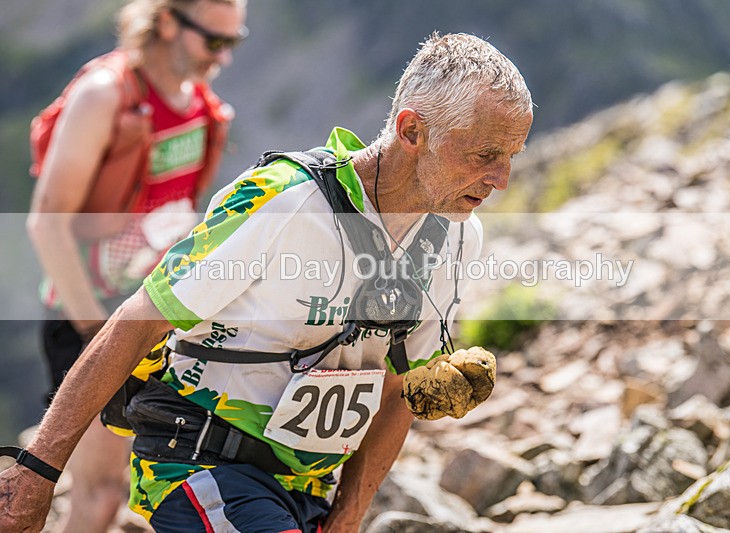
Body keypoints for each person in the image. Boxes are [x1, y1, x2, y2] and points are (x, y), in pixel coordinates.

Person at [1, 32, 533, 533]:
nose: (502, 179)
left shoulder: (456, 237)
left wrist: (345, 521)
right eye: (485, 154)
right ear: (412, 130)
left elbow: (396, 389)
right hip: (198, 459)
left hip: (307, 487)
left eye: (512, 156)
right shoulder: (285, 200)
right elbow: (138, 320)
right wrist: (35, 472)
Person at [24, 0, 247, 531]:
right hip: (91, 316)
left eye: (232, 43)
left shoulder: (199, 104)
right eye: (214, 42)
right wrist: (96, 337)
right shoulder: (105, 96)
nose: (224, 58)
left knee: (139, 484)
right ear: (167, 21)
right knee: (101, 494)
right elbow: (47, 223)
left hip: (151, 315)